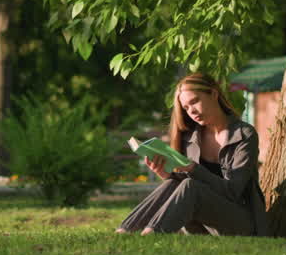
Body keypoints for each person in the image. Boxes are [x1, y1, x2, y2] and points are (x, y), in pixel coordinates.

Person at [116, 72, 270, 236]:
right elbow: (184, 188)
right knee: (173, 184)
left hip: (240, 222)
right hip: (201, 225)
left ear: (213, 93)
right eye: (186, 108)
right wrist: (166, 175)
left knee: (191, 186)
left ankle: (153, 233)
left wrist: (192, 168)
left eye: (195, 101)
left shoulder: (244, 134)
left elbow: (233, 191)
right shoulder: (190, 137)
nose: (192, 111)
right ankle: (125, 231)